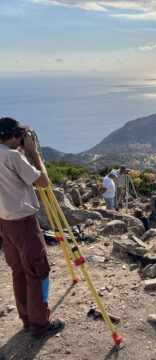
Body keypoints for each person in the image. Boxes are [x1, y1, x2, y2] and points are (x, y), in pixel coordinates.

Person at [0, 117, 64, 337]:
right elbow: (44, 182)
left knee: (19, 272)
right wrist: (34, 154)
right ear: (13, 135)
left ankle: (27, 318)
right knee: (38, 272)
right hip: (24, 224)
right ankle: (40, 324)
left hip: (5, 224)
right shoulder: (12, 157)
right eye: (20, 135)